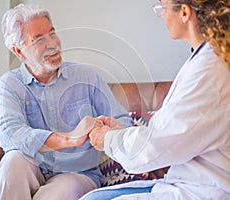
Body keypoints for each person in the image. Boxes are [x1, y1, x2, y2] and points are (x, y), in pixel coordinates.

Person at [81, 0, 230, 199]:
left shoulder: (209, 72)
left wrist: (107, 138)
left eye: (162, 8)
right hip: (190, 181)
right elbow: (166, 133)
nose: (161, 15)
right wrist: (120, 133)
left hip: (205, 189)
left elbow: (156, 146)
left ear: (184, 12)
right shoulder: (204, 58)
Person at [0, 3, 132, 200]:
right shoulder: (9, 84)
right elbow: (12, 135)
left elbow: (123, 120)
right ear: (19, 51)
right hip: (31, 166)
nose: (53, 44)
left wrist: (107, 130)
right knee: (13, 161)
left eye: (52, 33)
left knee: (60, 192)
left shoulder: (86, 76)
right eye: (39, 39)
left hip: (77, 173)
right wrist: (69, 138)